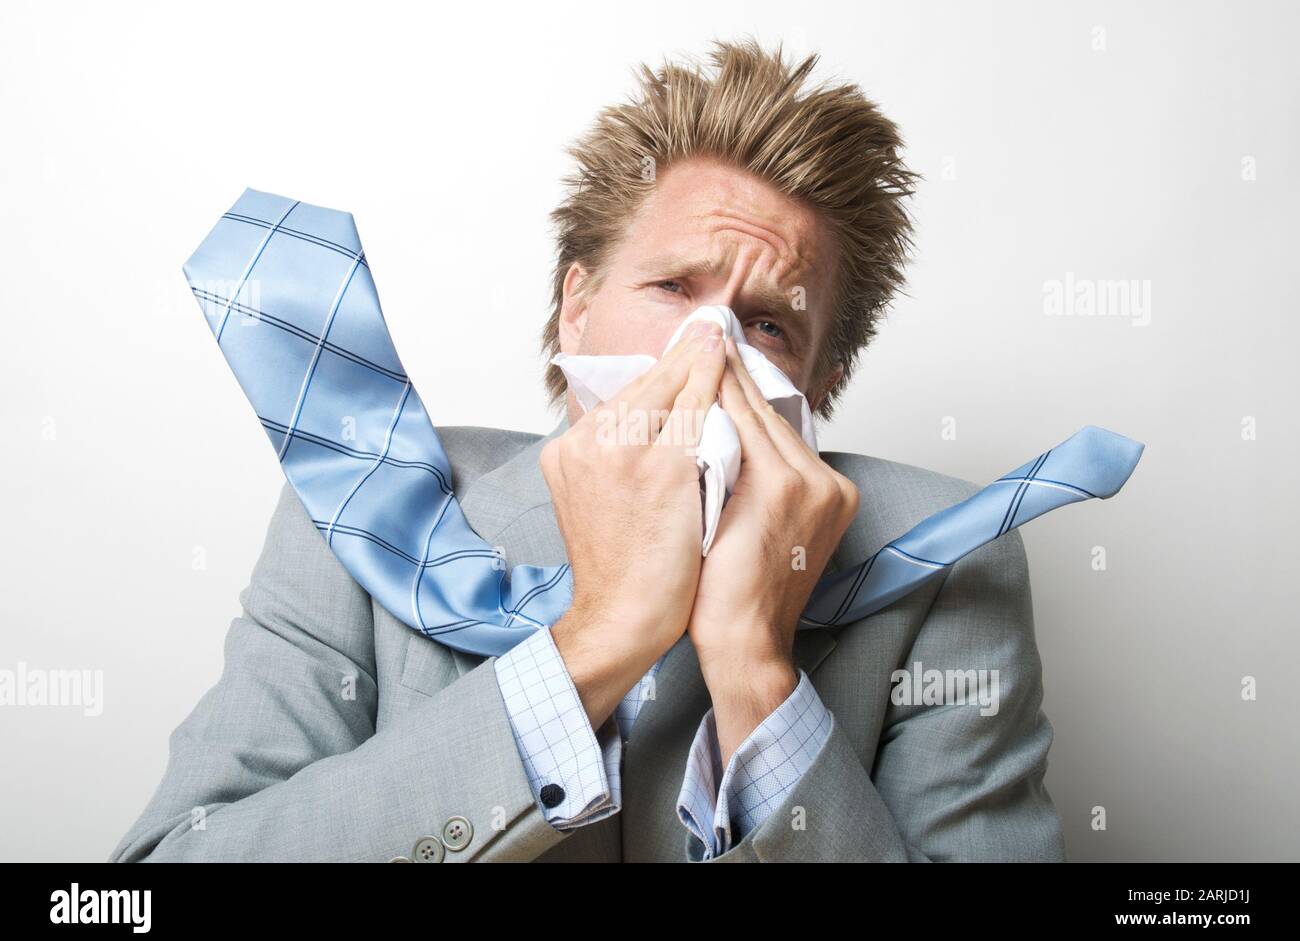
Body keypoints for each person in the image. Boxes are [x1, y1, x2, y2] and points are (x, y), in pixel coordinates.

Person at [110, 38, 1065, 863]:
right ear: (577, 308)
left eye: (769, 324)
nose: (708, 349)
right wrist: (594, 642)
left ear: (817, 390)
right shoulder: (365, 505)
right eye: (672, 287)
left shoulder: (947, 560)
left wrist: (755, 671)